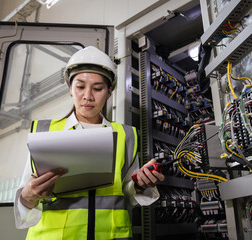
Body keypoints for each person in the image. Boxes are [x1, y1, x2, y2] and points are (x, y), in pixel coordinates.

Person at [14, 46, 165, 240]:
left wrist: (139, 185)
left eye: (98, 88)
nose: (88, 96)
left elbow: (126, 195)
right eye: (80, 86)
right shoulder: (45, 132)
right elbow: (23, 204)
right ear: (70, 88)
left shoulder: (125, 136)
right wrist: (28, 196)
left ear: (109, 92)